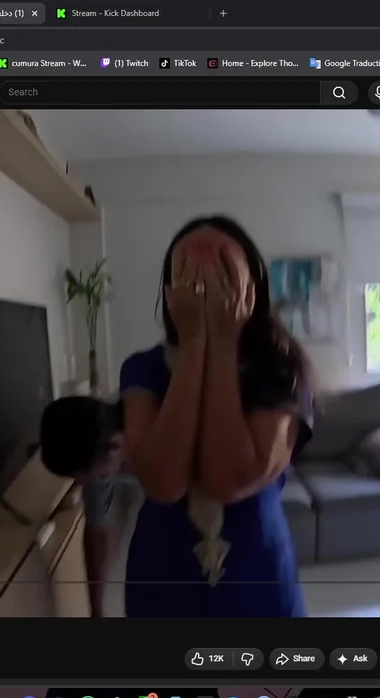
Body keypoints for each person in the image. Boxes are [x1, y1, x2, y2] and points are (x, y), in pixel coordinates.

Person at [118, 215, 315, 617]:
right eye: (189, 274)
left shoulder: (281, 370)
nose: (205, 285)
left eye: (222, 272)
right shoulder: (143, 369)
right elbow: (163, 482)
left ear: (252, 290)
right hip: (162, 582)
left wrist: (224, 343)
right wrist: (194, 344)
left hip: (256, 581)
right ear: (169, 295)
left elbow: (227, 479)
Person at [39, 396, 127, 617]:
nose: (89, 482)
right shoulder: (100, 442)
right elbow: (96, 531)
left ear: (115, 447)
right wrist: (96, 610)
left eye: (87, 476)